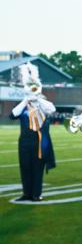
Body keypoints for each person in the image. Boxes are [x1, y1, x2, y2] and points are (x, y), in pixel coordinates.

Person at [10, 63, 56, 202]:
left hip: (39, 140)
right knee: (25, 167)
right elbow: (13, 114)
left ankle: (36, 194)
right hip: (24, 140)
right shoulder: (23, 105)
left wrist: (38, 98)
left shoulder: (42, 104)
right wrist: (26, 100)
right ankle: (26, 193)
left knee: (37, 168)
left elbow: (52, 109)